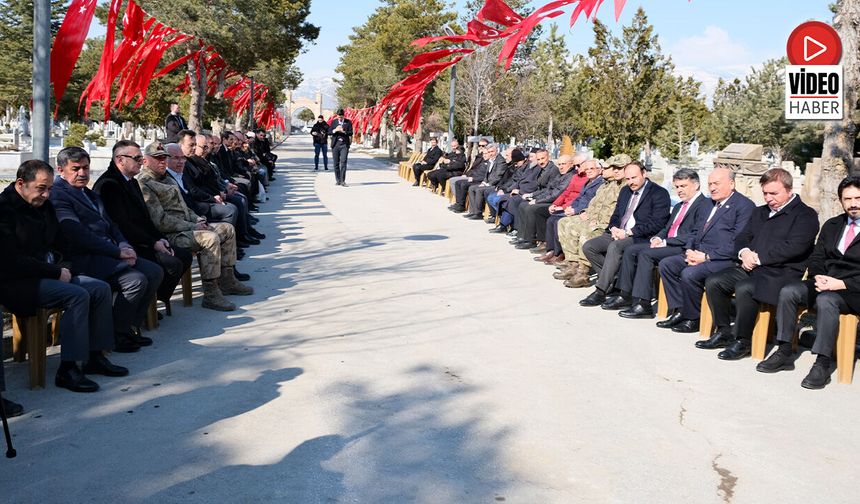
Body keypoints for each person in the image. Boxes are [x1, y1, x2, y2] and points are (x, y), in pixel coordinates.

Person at [0, 160, 127, 393]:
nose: (47, 194)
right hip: (18, 282)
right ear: (21, 183)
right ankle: (69, 369)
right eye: (41, 188)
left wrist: (64, 267)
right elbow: (12, 260)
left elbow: (62, 244)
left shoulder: (43, 205)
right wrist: (56, 272)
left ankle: (94, 356)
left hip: (50, 273)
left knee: (99, 288)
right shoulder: (4, 210)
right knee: (77, 295)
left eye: (49, 188)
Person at [51, 147, 163, 353]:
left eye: (86, 168)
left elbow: (111, 224)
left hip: (108, 251)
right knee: (135, 280)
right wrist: (116, 252)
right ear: (60, 170)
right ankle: (117, 334)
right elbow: (77, 234)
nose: (83, 173)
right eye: (75, 169)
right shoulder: (58, 195)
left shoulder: (87, 193)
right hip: (83, 257)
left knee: (155, 271)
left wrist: (123, 244)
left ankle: (127, 327)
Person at [699, 168, 819, 359]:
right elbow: (742, 237)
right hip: (751, 267)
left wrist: (758, 258)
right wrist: (744, 252)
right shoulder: (759, 212)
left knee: (746, 288)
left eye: (774, 193)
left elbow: (795, 247)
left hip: (781, 273)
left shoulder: (805, 215)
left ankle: (743, 341)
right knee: (715, 281)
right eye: (765, 193)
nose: (769, 198)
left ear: (789, 190)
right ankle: (723, 331)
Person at [756, 176, 860, 389]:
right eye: (847, 199)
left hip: (853, 290)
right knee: (789, 291)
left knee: (827, 301)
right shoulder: (832, 225)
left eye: (858, 198)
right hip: (824, 282)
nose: (853, 203)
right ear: (841, 201)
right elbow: (817, 256)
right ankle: (784, 349)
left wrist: (842, 284)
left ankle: (822, 362)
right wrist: (818, 276)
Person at [138, 142, 252, 311]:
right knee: (210, 239)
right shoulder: (145, 184)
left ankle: (227, 281)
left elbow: (185, 207)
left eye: (164, 158)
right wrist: (193, 226)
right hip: (171, 234)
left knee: (227, 229)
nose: (162, 162)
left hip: (187, 227)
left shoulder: (168, 179)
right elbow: (160, 220)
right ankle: (211, 293)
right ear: (145, 161)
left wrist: (198, 219)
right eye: (157, 158)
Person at [93, 141, 193, 313]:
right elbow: (123, 224)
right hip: (127, 243)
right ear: (120, 160)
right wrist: (152, 243)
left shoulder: (130, 181)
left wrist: (158, 238)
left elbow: (145, 218)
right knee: (171, 264)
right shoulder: (109, 184)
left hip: (143, 238)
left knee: (183, 256)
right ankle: (145, 308)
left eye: (140, 157)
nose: (141, 161)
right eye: (137, 158)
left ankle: (152, 302)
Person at [657, 167, 756, 333]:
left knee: (690, 274)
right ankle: (681, 309)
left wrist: (707, 256)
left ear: (731, 183)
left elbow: (738, 241)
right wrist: (689, 250)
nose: (712, 188)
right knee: (667, 264)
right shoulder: (708, 204)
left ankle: (693, 318)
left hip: (724, 259)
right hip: (699, 253)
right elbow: (696, 232)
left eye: (716, 183)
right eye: (710, 184)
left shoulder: (744, 206)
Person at [616, 169, 711, 319]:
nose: (679, 190)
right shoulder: (680, 206)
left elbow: (694, 234)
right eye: (677, 187)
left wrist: (666, 242)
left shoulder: (705, 205)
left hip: (682, 247)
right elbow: (667, 228)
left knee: (646, 254)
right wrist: (658, 238)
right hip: (667, 244)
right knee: (630, 250)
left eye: (683, 186)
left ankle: (644, 304)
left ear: (696, 185)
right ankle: (625, 294)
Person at [579, 161, 671, 307]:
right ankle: (615, 280)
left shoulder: (659, 193)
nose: (630, 182)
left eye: (634, 178)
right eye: (627, 179)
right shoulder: (625, 191)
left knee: (615, 247)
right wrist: (614, 227)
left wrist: (628, 232)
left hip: (640, 236)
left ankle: (601, 291)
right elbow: (616, 214)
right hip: (618, 232)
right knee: (589, 246)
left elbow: (657, 224)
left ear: (644, 174)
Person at [554, 155, 629, 288]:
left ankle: (583, 273)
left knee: (585, 233)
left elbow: (617, 212)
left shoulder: (625, 187)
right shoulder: (607, 185)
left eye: (615, 168)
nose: (613, 171)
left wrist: (597, 221)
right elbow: (594, 204)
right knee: (564, 223)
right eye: (613, 168)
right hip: (593, 219)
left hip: (605, 225)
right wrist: (585, 212)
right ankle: (573, 263)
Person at [535, 159, 604, 264]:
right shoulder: (587, 181)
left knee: (557, 222)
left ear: (599, 170)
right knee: (551, 219)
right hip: (573, 208)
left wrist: (575, 210)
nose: (588, 171)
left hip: (583, 212)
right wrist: (567, 207)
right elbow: (577, 197)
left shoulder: (600, 184)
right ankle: (551, 251)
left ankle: (560, 254)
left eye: (592, 168)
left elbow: (592, 203)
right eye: (587, 169)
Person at [511, 155, 581, 250]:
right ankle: (523, 236)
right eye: (559, 164)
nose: (561, 166)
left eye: (563, 164)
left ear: (571, 164)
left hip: (555, 202)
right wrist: (533, 196)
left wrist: (538, 201)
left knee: (532, 208)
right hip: (551, 200)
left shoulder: (570, 176)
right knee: (524, 204)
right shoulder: (560, 174)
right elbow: (548, 189)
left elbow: (557, 194)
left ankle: (531, 240)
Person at [488, 149, 540, 233]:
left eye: (532, 157)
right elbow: (517, 181)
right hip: (517, 190)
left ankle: (512, 227)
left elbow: (534, 185)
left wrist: (519, 192)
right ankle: (503, 224)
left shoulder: (537, 168)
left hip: (528, 193)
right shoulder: (530, 167)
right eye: (530, 156)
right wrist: (503, 189)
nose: (530, 159)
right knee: (501, 199)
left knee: (509, 201)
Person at [463, 143, 509, 218]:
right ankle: (472, 211)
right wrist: (484, 182)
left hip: (495, 184)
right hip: (488, 183)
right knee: (471, 188)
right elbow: (486, 175)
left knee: (479, 190)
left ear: (496, 151)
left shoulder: (501, 161)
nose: (490, 154)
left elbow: (498, 176)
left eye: (492, 152)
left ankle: (478, 213)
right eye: (489, 152)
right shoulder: (490, 161)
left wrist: (487, 184)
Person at [447, 140, 489, 212]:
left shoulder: (485, 158)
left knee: (461, 183)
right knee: (456, 182)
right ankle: (459, 202)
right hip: (471, 175)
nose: (481, 147)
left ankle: (461, 204)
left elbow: (483, 173)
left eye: (483, 146)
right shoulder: (479, 156)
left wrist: (473, 178)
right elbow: (473, 168)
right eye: (480, 145)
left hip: (477, 178)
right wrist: (466, 174)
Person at [328, 109, 354, 186]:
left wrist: (344, 132)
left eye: (341, 117)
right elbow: (329, 132)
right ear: (337, 116)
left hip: (344, 145)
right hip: (335, 145)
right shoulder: (334, 122)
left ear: (344, 116)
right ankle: (338, 180)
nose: (340, 118)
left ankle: (343, 181)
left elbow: (351, 132)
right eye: (339, 117)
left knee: (343, 162)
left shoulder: (348, 122)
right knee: (336, 163)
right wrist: (335, 130)